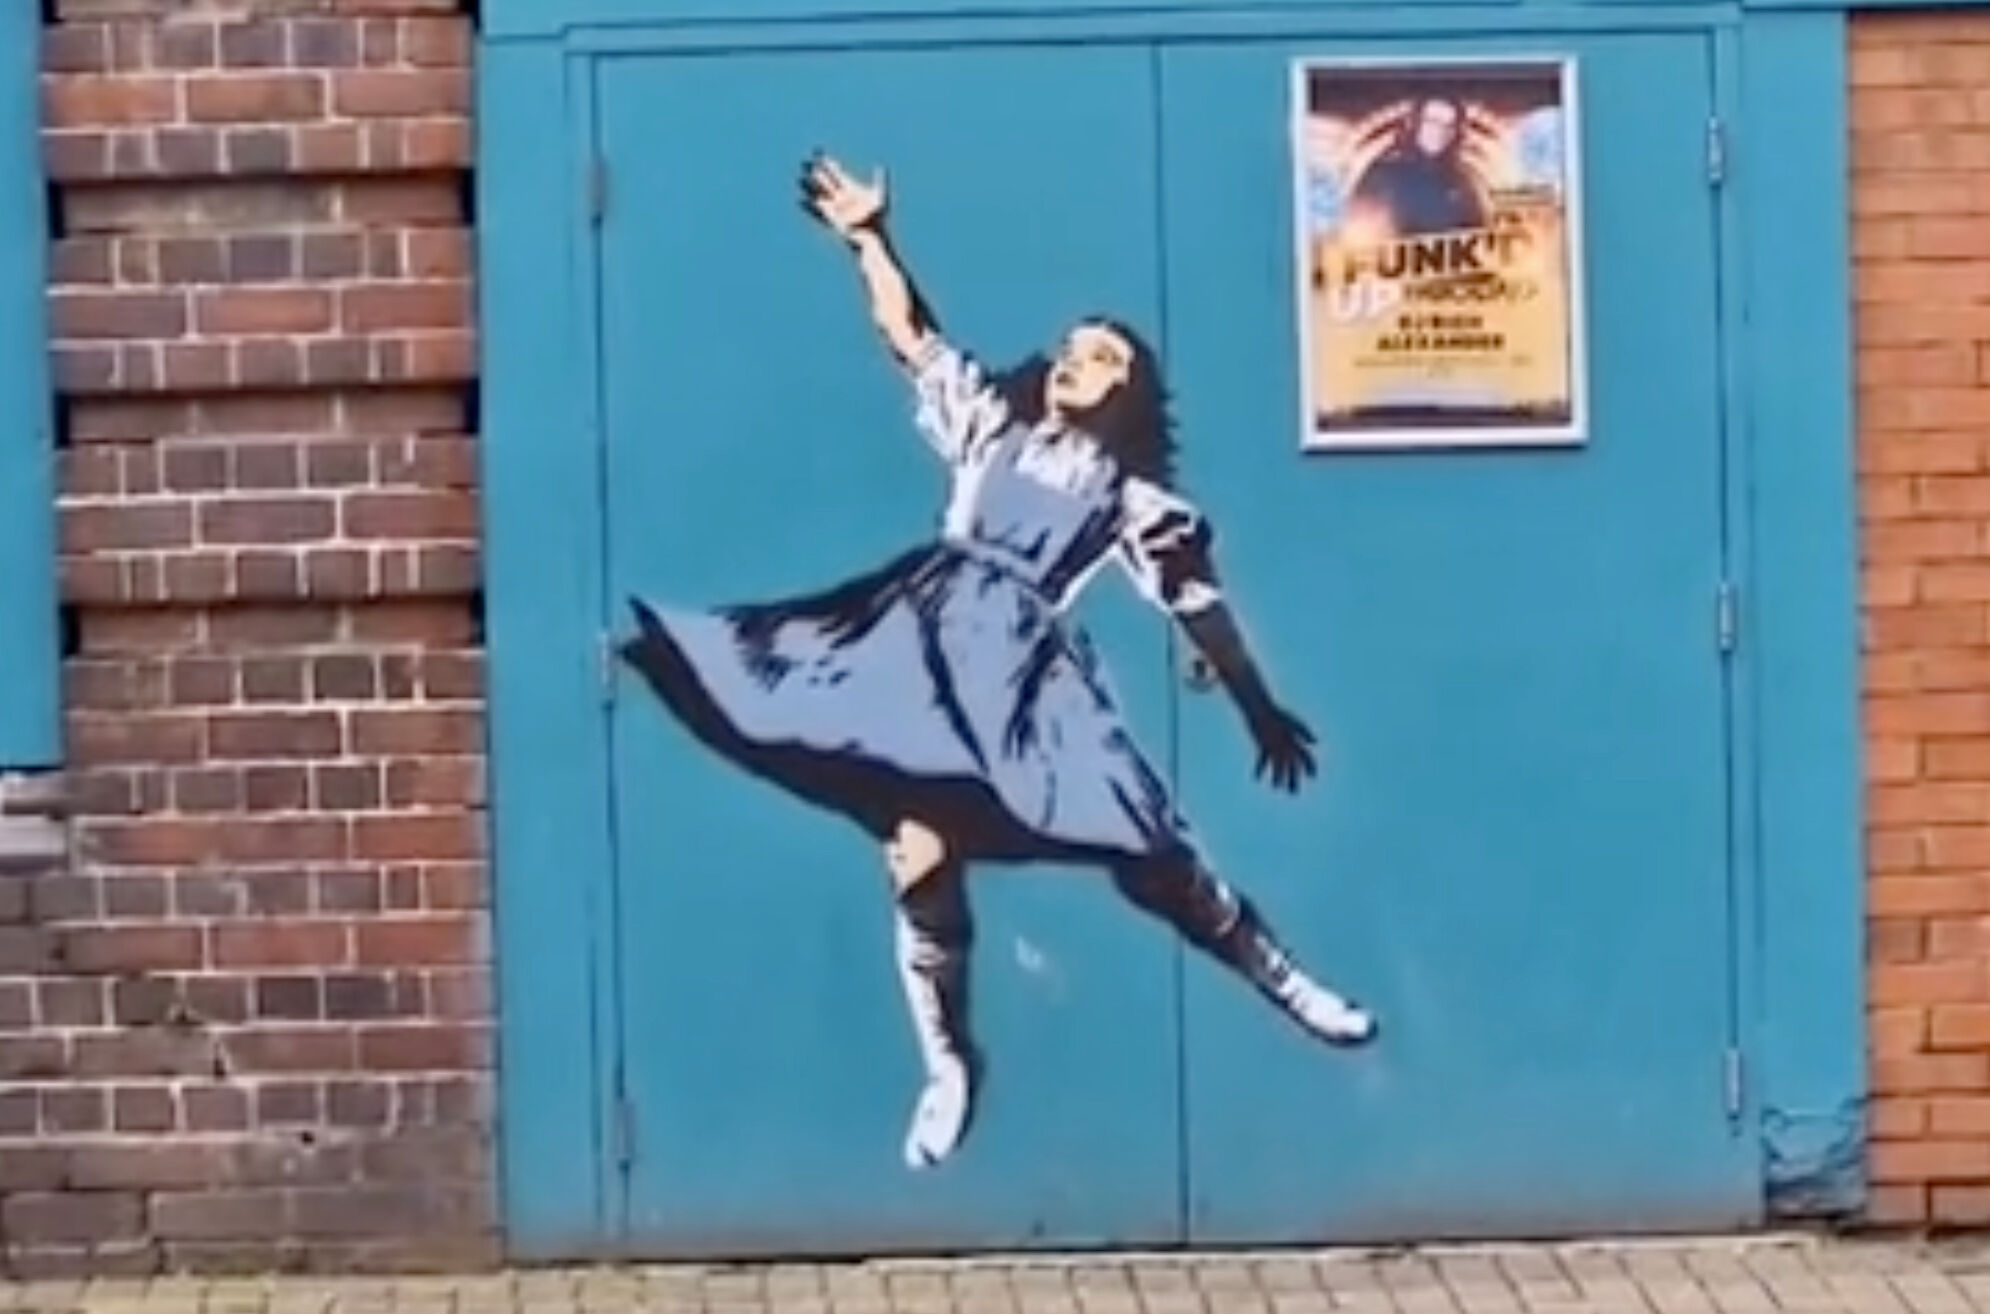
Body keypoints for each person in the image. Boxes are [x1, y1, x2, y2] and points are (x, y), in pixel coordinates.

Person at [618, 153, 1378, 1172]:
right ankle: (946, 1063)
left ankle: (1284, 982)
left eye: (1101, 358)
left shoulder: (1128, 498)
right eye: (1071, 348)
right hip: (916, 642)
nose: (1075, 360)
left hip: (1022, 678)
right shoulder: (990, 430)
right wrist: (869, 238)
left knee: (1151, 851)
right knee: (917, 853)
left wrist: (1255, 706)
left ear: (1128, 393)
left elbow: (1197, 607)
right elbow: (910, 340)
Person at [1349, 96, 1490, 238]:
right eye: (1432, 122)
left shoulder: (1462, 182)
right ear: (1414, 124)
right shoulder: (1381, 175)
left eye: (1449, 125)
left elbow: (1477, 233)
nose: (1440, 131)